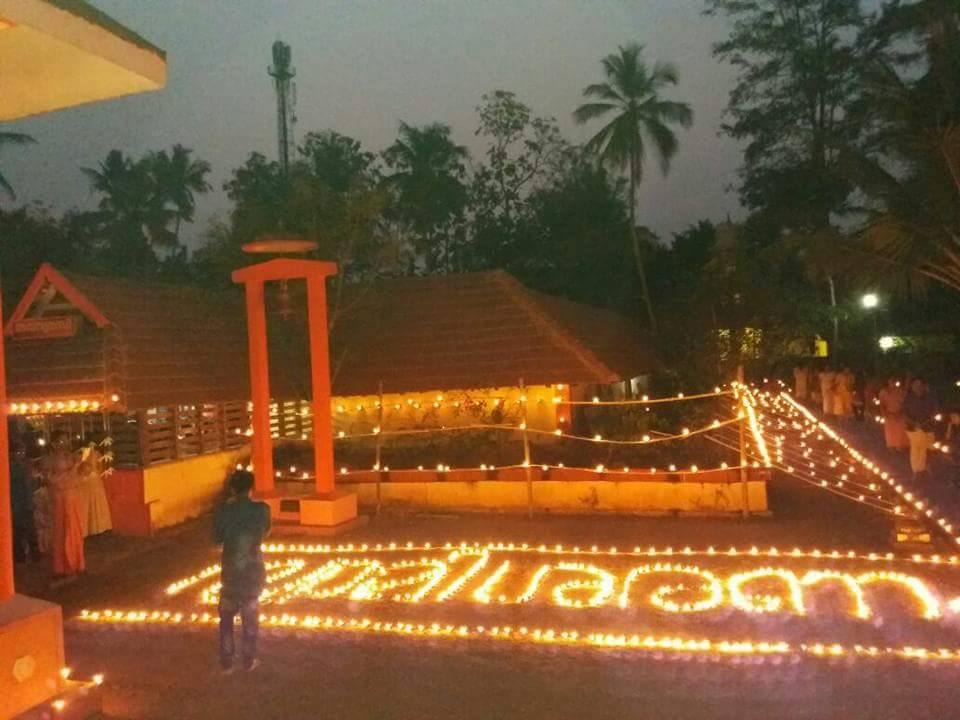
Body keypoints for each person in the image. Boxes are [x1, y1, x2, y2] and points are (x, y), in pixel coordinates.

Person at [214, 469, 271, 674]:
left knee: (226, 619)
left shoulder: (222, 511)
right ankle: (249, 660)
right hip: (253, 571)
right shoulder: (262, 510)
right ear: (251, 488)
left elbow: (217, 538)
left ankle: (227, 661)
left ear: (231, 488)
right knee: (250, 618)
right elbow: (265, 531)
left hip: (230, 571)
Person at [42, 432, 85, 577]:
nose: (64, 445)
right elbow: (53, 480)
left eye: (66, 441)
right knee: (61, 532)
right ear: (53, 444)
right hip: (59, 499)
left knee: (74, 530)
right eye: (61, 442)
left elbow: (81, 475)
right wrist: (71, 471)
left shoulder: (72, 456)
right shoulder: (49, 460)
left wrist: (80, 466)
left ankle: (76, 563)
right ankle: (61, 566)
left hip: (73, 498)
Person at [10, 441, 38, 563]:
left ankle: (29, 555)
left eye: (23, 451)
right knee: (21, 531)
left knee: (27, 530)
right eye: (19, 452)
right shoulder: (13, 467)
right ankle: (22, 556)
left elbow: (29, 485)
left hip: (23, 502)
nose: (21, 454)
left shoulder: (23, 465)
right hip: (18, 503)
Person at [79, 437, 112, 536]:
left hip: (85, 480)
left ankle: (86, 528)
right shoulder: (97, 453)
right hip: (95, 479)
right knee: (97, 503)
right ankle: (99, 526)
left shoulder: (82, 453)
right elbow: (100, 468)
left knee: (86, 504)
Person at [904, 377, 938, 475]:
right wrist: (914, 423)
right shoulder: (908, 398)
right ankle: (917, 471)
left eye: (919, 385)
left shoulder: (930, 397)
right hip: (913, 429)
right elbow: (905, 414)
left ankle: (926, 467)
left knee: (928, 449)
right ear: (912, 386)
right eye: (915, 385)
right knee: (916, 449)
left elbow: (935, 410)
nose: (917, 387)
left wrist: (933, 417)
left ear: (924, 386)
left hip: (928, 427)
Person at [878, 377, 909, 450]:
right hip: (889, 413)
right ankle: (891, 445)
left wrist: (900, 412)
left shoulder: (901, 391)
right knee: (890, 430)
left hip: (900, 413)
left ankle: (900, 445)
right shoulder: (883, 392)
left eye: (894, 381)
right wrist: (885, 413)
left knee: (900, 430)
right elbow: (882, 404)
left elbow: (905, 402)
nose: (893, 383)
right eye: (891, 381)